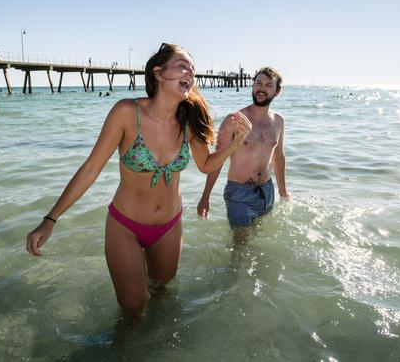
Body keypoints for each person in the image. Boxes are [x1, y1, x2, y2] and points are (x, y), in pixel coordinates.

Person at [25, 43, 252, 317]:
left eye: (193, 69)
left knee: (162, 295)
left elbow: (205, 165)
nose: (190, 73)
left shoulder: (189, 120)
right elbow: (90, 169)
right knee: (132, 309)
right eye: (183, 66)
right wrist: (50, 219)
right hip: (125, 226)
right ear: (158, 73)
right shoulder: (126, 112)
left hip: (169, 227)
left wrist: (235, 143)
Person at [197, 67, 290, 242]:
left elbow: (278, 156)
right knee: (241, 246)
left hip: (267, 191)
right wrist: (205, 197)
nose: (261, 88)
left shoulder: (278, 121)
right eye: (258, 83)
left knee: (258, 239)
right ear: (253, 86)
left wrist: (283, 191)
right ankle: (233, 270)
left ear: (277, 91)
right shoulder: (234, 120)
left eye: (269, 85)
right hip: (239, 194)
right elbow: (218, 160)